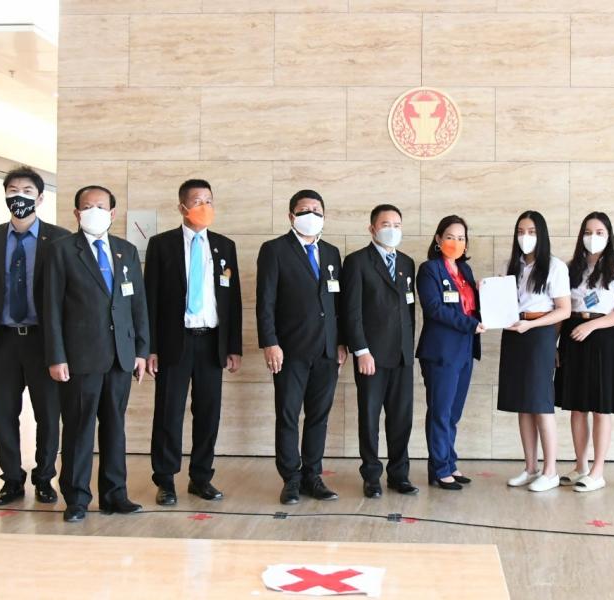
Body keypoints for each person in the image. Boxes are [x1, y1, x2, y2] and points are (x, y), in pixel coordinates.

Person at [44, 185, 149, 522]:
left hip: (121, 356)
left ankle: (115, 494)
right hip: (79, 358)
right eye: (87, 206)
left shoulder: (126, 251)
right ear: (77, 213)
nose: (94, 212)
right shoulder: (61, 251)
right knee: (78, 429)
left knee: (115, 427)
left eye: (101, 206)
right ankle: (76, 498)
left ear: (112, 213)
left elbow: (137, 304)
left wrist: (141, 350)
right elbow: (51, 309)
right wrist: (56, 356)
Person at [144, 179, 243, 506]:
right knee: (168, 414)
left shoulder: (224, 246)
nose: (205, 206)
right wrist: (150, 347)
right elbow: (150, 299)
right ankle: (165, 480)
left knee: (208, 414)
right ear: (182, 207)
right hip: (175, 342)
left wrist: (233, 347)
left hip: (211, 342)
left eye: (209, 200)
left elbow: (233, 301)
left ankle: (201, 477)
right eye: (198, 201)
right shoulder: (162, 245)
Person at [0, 166, 70, 506]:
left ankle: (45, 478)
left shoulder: (59, 238)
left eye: (27, 191)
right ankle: (11, 480)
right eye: (13, 190)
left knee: (48, 414)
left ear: (40, 198)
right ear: (5, 195)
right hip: (2, 340)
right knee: (3, 415)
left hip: (42, 340)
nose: (19, 196)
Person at [256, 189, 347, 505]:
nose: (312, 215)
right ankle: (291, 479)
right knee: (288, 415)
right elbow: (265, 301)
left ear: (324, 215)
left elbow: (338, 303)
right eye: (305, 210)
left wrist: (341, 342)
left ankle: (312, 475)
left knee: (319, 416)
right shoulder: (274, 250)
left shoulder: (332, 253)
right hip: (289, 350)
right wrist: (270, 342)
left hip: (327, 351)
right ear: (291, 216)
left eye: (317, 210)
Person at [556, 212, 614, 493]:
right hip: (573, 334)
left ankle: (597, 470)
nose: (593, 237)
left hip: (602, 336)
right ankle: (581, 465)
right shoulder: (570, 268)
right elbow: (562, 308)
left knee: (601, 407)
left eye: (600, 232)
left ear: (609, 236)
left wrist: (592, 327)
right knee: (577, 406)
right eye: (588, 232)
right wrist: (555, 343)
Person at [341, 204, 418, 499]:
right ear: (372, 228)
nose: (392, 230)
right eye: (386, 224)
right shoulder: (357, 262)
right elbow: (352, 312)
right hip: (371, 356)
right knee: (370, 417)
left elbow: (408, 310)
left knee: (401, 418)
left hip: (402, 355)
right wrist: (361, 350)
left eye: (397, 225)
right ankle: (371, 476)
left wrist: (409, 348)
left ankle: (399, 474)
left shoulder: (407, 263)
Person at [497, 211, 571, 493]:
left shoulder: (555, 266)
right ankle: (530, 468)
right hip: (514, 332)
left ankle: (550, 471)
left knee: (541, 404)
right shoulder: (511, 265)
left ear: (542, 234)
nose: (525, 237)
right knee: (523, 403)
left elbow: (564, 310)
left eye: (531, 232)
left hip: (539, 333)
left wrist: (535, 328)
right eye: (520, 231)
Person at [416, 215, 485, 491]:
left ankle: (449, 462)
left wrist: (486, 294)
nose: (456, 242)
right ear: (438, 239)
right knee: (440, 412)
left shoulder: (465, 271)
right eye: (450, 237)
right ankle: (439, 468)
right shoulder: (429, 270)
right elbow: (435, 308)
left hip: (465, 349)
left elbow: (471, 307)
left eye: (461, 238)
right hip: (441, 351)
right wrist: (470, 324)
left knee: (453, 413)